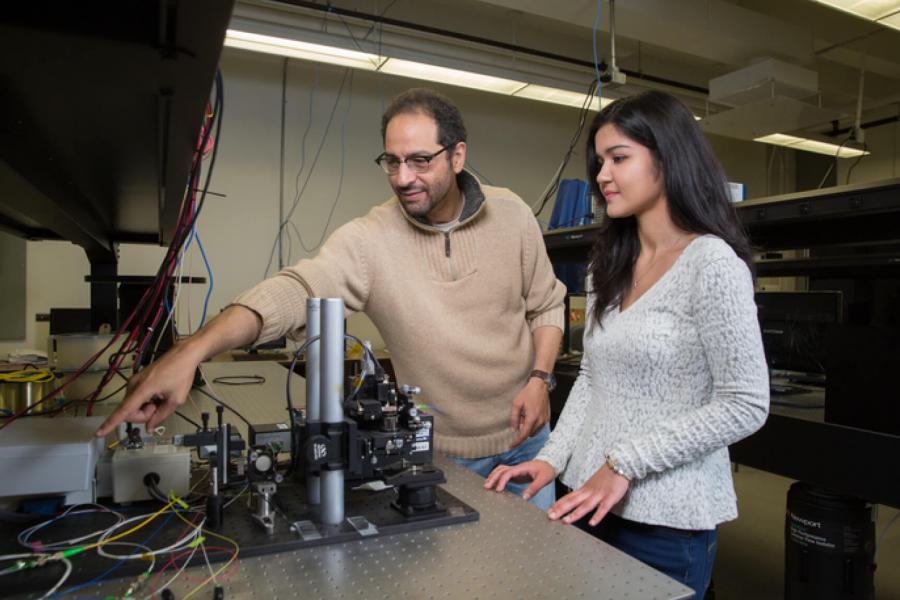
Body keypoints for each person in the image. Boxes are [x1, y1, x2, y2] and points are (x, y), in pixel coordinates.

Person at [96, 88, 565, 510]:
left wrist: (540, 379)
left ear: (457, 156)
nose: (403, 178)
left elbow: (546, 305)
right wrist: (193, 350)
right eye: (391, 161)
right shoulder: (370, 240)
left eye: (420, 160)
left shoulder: (513, 214)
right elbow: (294, 290)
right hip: (440, 456)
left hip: (527, 445)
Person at [484, 90, 769, 597]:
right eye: (600, 162)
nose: (602, 176)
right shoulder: (608, 264)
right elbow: (594, 378)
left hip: (668, 523)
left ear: (668, 158)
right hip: (590, 501)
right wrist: (553, 458)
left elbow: (745, 403)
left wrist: (624, 464)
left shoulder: (711, 264)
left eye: (619, 158)